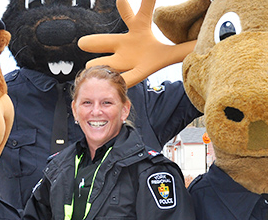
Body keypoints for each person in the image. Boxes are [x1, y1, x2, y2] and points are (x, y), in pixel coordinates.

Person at [22, 65, 195, 220]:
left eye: (106, 103)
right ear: (75, 110)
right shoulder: (57, 169)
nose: (96, 112)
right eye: (87, 103)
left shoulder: (152, 173)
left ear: (124, 110)